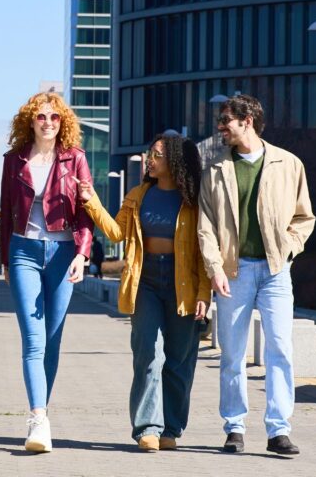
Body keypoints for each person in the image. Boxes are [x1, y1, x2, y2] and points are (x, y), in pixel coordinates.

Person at [196, 94, 315, 456]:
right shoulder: (214, 169)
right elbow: (206, 227)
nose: (221, 127)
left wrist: (290, 248)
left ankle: (279, 431)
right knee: (233, 354)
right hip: (233, 273)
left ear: (247, 121)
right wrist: (214, 268)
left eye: (226, 120)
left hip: (277, 271)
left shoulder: (288, 163)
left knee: (281, 349)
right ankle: (234, 428)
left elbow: (304, 217)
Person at [76, 133, 210, 452]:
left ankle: (172, 427)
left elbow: (205, 252)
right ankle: (147, 426)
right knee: (148, 353)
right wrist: (91, 201)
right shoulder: (138, 194)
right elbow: (117, 232)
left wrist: (205, 293)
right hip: (145, 280)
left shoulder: (193, 199)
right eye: (150, 153)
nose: (150, 160)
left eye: (158, 155)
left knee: (178, 361)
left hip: (183, 283)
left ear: (175, 161)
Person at [0, 91, 94, 453]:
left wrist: (82, 255)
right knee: (33, 339)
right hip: (24, 249)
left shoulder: (76, 159)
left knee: (53, 339)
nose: (48, 123)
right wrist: (5, 260)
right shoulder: (14, 161)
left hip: (64, 251)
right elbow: (7, 211)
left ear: (63, 122)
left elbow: (86, 211)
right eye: (41, 117)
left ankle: (43, 409)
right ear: (30, 120)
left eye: (55, 118)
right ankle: (38, 418)